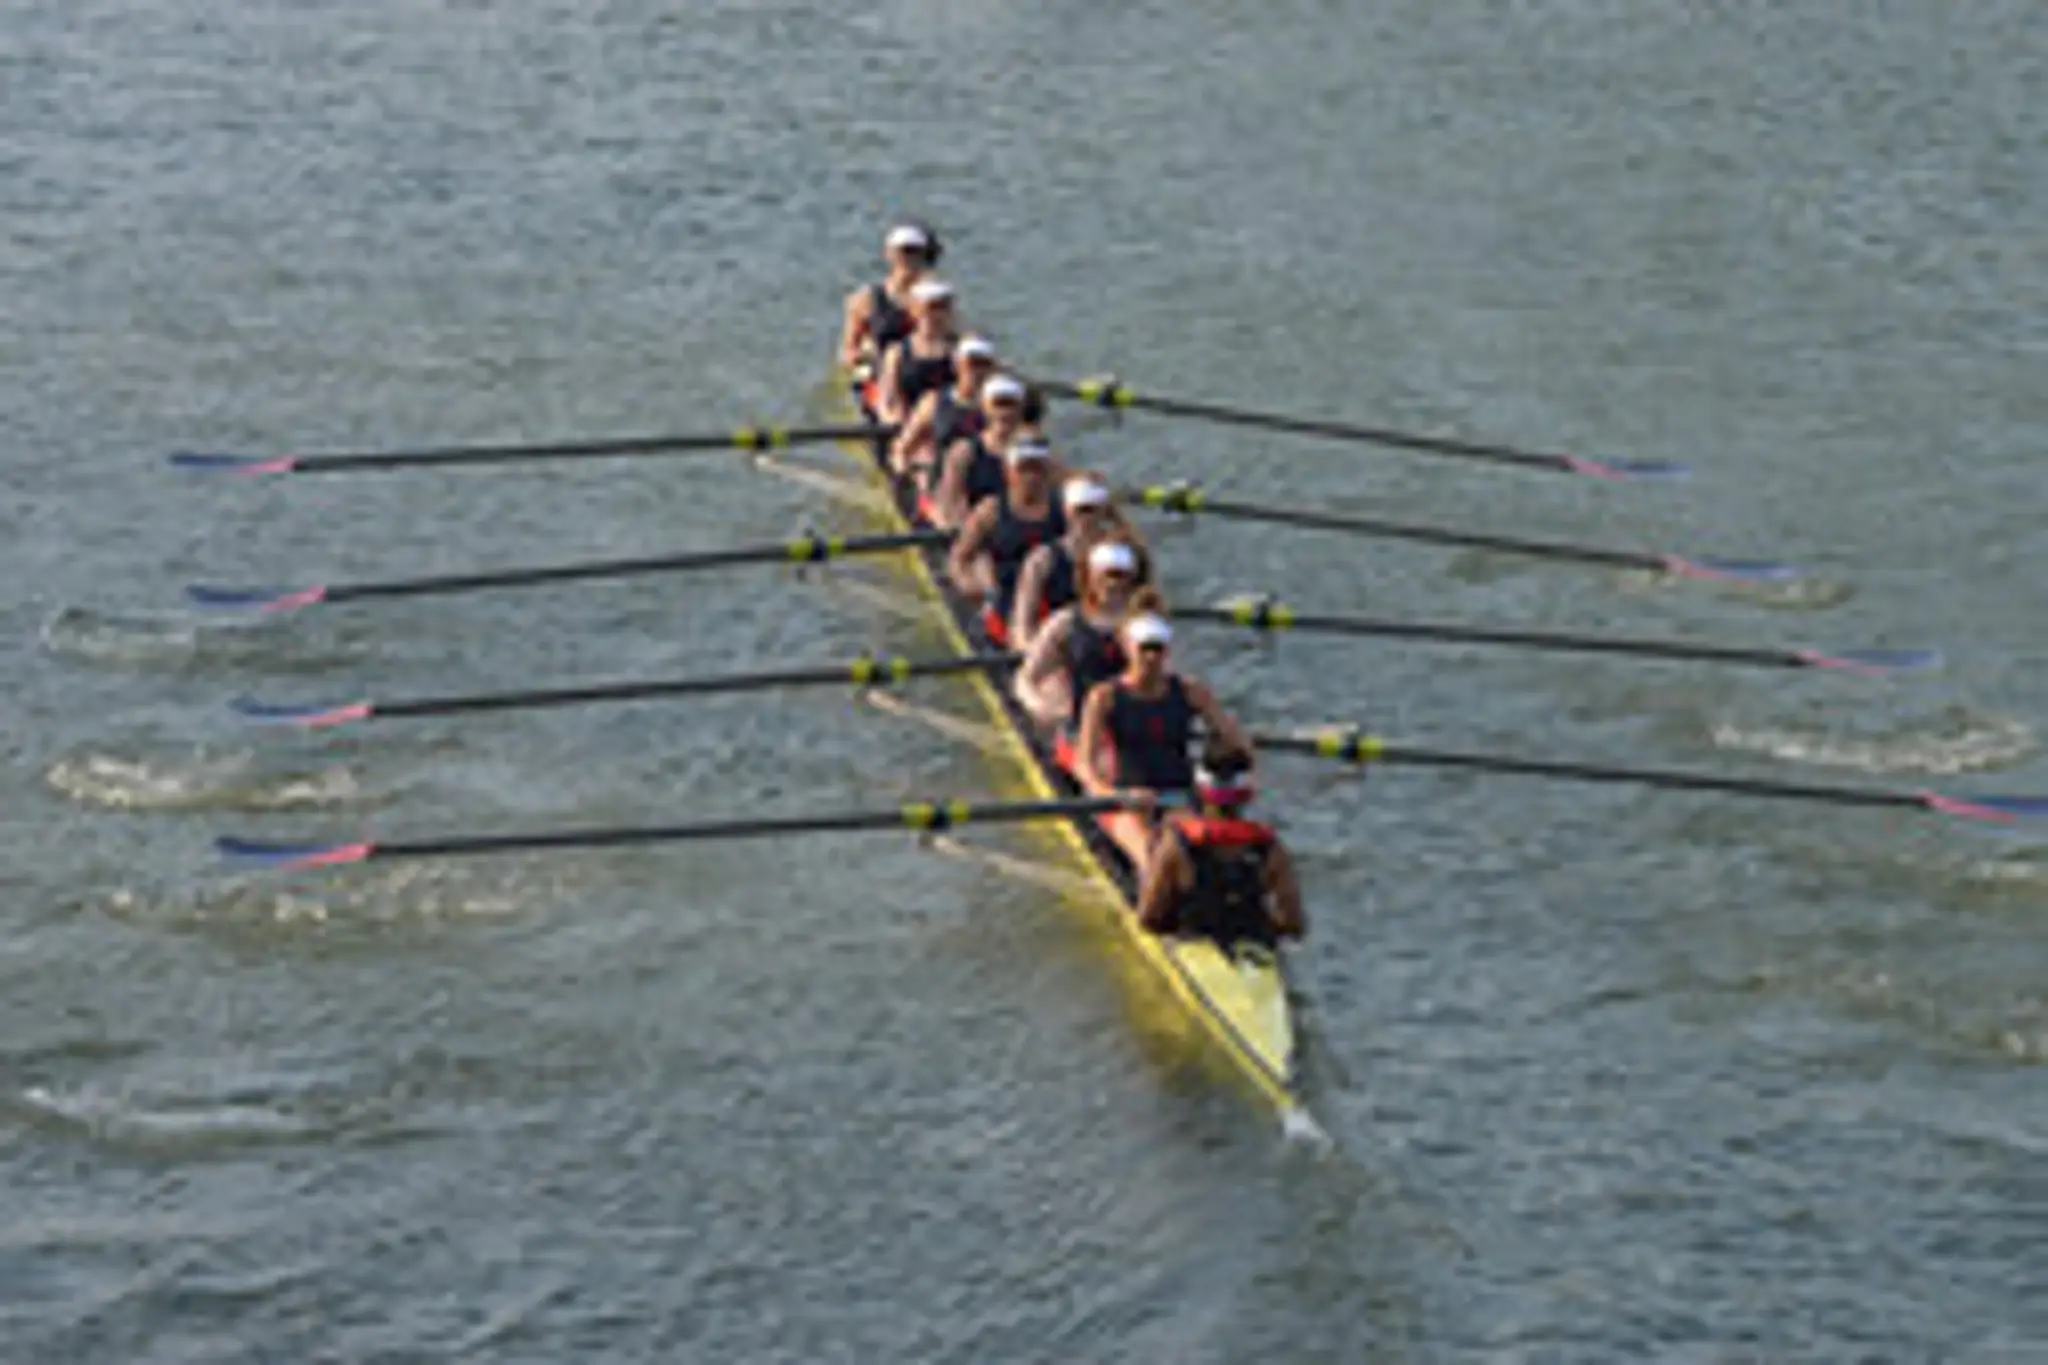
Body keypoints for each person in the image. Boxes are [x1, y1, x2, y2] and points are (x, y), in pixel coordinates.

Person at [1069, 596, 1256, 873]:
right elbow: (1083, 764)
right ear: (1126, 646)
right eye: (1145, 648)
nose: (1151, 657)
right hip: (1127, 799)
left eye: (1158, 648)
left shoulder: (1192, 691)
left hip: (1180, 795)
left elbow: (1235, 739)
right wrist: (1109, 793)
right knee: (1152, 855)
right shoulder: (1105, 697)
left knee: (1213, 856)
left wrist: (1245, 777)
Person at [1136, 739, 1305, 944]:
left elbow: (1148, 918)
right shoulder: (1269, 847)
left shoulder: (1178, 841)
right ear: (1247, 794)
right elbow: (1294, 924)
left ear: (1200, 788)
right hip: (1252, 941)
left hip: (1192, 940)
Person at [1014, 531, 1148, 733]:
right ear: (1091, 578)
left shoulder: (1146, 624)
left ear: (1131, 580)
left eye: (1120, 575)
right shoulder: (1065, 623)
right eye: (1106, 575)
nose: (1112, 584)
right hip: (1082, 728)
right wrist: (1043, 708)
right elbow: (1025, 680)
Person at [945, 436, 1065, 646]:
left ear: (1047, 472)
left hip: (1054, 596)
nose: (1031, 477)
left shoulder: (1064, 509)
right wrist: (976, 590)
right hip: (1006, 598)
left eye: (1037, 469)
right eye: (1023, 469)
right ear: (1008, 473)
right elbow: (958, 561)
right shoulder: (990, 511)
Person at [1008, 474, 1135, 651]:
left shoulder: (1124, 557)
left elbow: (1142, 613)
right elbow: (1022, 628)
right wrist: (1033, 651)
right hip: (1057, 648)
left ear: (1103, 511)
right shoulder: (1042, 560)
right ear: (1067, 511)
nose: (1086, 519)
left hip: (1108, 650)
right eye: (1080, 510)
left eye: (1091, 510)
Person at [839, 222, 939, 373]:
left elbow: (952, 338)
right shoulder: (866, 299)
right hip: (880, 376)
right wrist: (861, 358)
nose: (908, 257)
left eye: (915, 251)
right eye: (903, 251)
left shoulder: (936, 298)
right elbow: (848, 350)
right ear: (889, 254)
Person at [891, 333, 995, 479]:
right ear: (957, 365)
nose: (977, 371)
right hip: (942, 487)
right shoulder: (933, 402)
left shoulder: (1001, 409)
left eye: (983, 364)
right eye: (971, 364)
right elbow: (902, 449)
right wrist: (906, 473)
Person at [928, 372, 1023, 528]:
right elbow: (951, 507)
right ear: (985, 407)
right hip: (971, 531)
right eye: (998, 404)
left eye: (1010, 404)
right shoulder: (963, 451)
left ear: (1020, 410)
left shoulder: (1032, 455)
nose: (1005, 411)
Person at [874, 278, 959, 427]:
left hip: (950, 426)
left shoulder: (961, 351)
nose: (936, 314)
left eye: (943, 307)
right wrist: (895, 421)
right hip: (908, 426)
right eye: (931, 307)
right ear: (915, 311)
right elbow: (888, 400)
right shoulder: (897, 353)